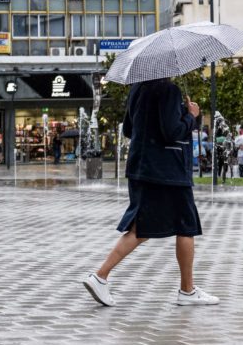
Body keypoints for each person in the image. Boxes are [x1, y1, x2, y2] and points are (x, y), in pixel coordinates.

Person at [83, 78, 219, 307]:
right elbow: (171, 131)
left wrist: (180, 117)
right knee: (186, 225)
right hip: (168, 171)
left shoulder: (138, 88)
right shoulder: (169, 90)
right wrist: (191, 116)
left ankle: (101, 276)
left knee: (141, 228)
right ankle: (186, 291)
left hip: (141, 168)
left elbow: (128, 129)